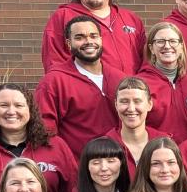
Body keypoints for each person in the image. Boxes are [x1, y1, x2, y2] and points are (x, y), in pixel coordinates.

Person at [36, 16, 124, 158]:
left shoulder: (120, 79)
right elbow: (45, 131)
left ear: (101, 39)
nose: (88, 41)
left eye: (93, 36)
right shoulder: (54, 81)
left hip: (118, 167)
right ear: (69, 43)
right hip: (77, 169)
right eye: (80, 37)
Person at [42, 0, 145, 75]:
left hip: (129, 91)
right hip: (86, 91)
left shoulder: (131, 19)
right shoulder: (62, 17)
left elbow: (146, 60)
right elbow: (54, 63)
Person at [139, 21, 187, 144]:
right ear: (152, 48)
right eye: (161, 41)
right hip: (156, 155)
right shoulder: (141, 84)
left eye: (173, 41)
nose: (167, 46)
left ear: (180, 47)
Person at [103, 76, 160, 177]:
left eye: (137, 101)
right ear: (116, 105)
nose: (131, 108)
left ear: (149, 104)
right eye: (124, 101)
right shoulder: (103, 147)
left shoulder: (163, 144)